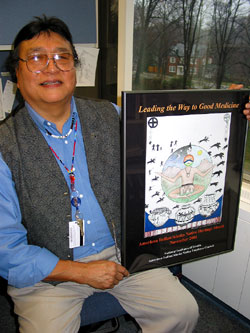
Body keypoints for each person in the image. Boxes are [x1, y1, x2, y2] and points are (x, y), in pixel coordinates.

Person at [0, 16, 199, 333]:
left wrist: (233, 112)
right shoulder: (5, 147)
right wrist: (78, 272)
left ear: (74, 70)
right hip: (48, 271)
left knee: (182, 311)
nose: (52, 67)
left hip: (123, 253)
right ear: (18, 74)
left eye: (62, 57)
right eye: (37, 57)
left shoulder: (112, 115)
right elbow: (5, 248)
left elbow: (176, 139)